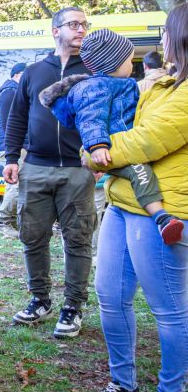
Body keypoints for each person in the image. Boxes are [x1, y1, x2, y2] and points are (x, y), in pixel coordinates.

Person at [84, 4, 188, 392]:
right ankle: (124, 384)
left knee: (168, 308)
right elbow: (112, 127)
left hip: (163, 211)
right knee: (110, 296)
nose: (161, 40)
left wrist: (94, 152)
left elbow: (143, 141)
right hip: (122, 204)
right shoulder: (158, 85)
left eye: (166, 31)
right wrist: (97, 144)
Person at [3, 6, 97, 338]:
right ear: (55, 30)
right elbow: (17, 118)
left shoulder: (94, 71)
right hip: (37, 168)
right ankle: (40, 300)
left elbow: (108, 117)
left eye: (84, 25)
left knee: (78, 239)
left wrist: (102, 157)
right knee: (33, 238)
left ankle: (73, 307)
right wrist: (12, 157)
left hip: (78, 169)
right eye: (74, 24)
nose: (81, 30)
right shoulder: (33, 73)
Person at [39, 28, 183, 244]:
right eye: (128, 60)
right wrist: (97, 146)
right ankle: (161, 217)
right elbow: (91, 117)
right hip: (108, 146)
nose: (132, 64)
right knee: (140, 171)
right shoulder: (95, 88)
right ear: (112, 62)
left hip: (117, 143)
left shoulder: (119, 84)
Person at [0, 62, 26, 237]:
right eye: (25, 75)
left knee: (14, 185)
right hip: (12, 146)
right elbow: (10, 125)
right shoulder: (9, 93)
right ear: (17, 75)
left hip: (15, 146)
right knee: (17, 184)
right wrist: (20, 145)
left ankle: (10, 223)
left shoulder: (14, 92)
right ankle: (2, 221)